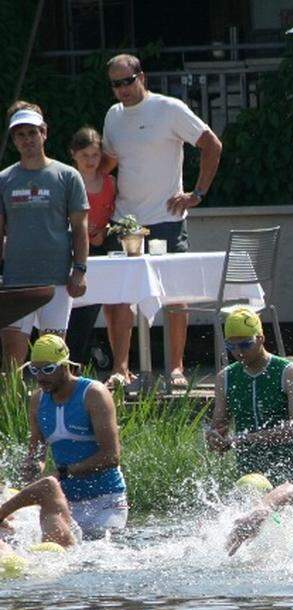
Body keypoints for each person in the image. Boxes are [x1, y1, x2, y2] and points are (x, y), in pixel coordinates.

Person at [101, 54, 223, 388]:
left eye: (128, 81)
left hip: (166, 218)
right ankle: (120, 369)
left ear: (142, 77)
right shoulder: (112, 116)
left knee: (175, 294)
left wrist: (197, 194)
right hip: (124, 222)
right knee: (117, 297)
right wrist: (93, 208)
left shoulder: (169, 108)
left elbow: (211, 144)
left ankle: (176, 369)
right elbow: (107, 165)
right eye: (116, 84)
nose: (123, 90)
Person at [0, 335, 127, 544]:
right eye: (35, 370)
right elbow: (38, 452)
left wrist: (64, 472)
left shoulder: (93, 394)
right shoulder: (38, 400)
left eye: (48, 369)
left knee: (94, 554)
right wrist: (31, 470)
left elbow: (111, 456)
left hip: (105, 501)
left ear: (65, 366)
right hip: (66, 502)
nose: (40, 377)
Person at [0, 104, 88, 367]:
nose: (27, 139)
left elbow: (80, 227)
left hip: (56, 278)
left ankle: (50, 407)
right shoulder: (4, 179)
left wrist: (80, 270)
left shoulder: (67, 175)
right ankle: (12, 408)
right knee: (11, 360)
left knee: (53, 359)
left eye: (32, 133)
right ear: (14, 139)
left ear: (44, 133)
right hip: (16, 279)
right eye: (20, 135)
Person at [206, 309, 293, 486]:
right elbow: (219, 426)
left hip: (291, 476)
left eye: (246, 344)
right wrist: (214, 438)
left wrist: (246, 439)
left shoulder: (288, 372)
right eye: (231, 346)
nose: (239, 351)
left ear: (261, 339)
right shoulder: (225, 378)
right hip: (249, 479)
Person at [63, 126, 117, 377]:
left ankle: (80, 362)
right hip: (71, 249)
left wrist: (104, 230)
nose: (90, 161)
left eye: (95, 155)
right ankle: (70, 363)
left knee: (92, 307)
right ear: (74, 154)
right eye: (85, 155)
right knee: (73, 309)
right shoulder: (67, 180)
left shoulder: (109, 182)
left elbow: (116, 215)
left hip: (99, 250)